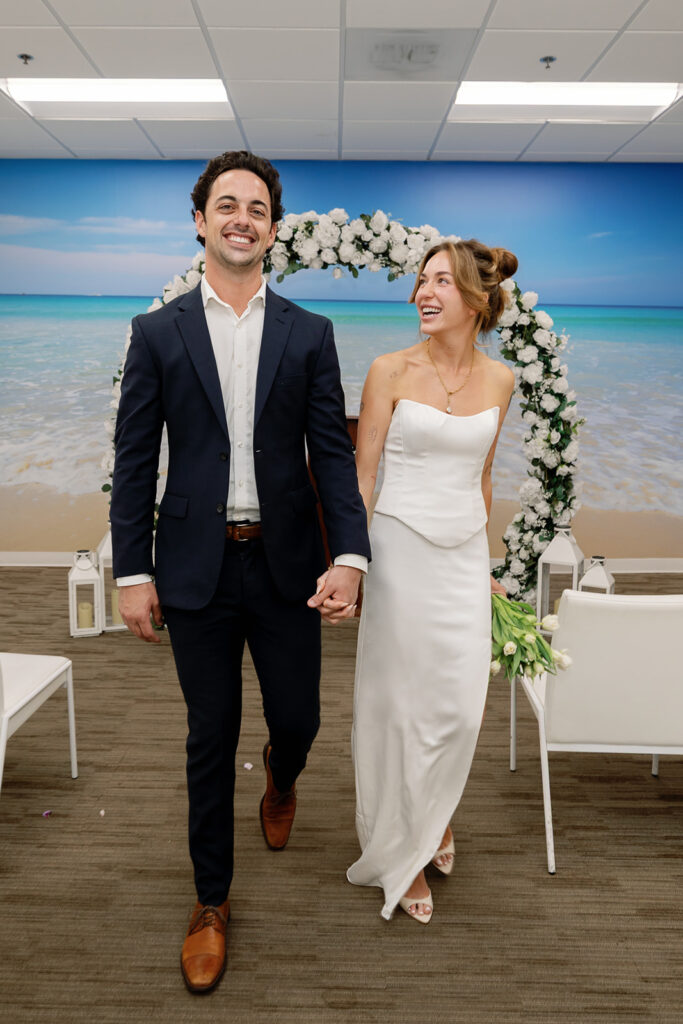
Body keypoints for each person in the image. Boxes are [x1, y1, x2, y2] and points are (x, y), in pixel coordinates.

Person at [110, 150, 370, 990]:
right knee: (206, 736)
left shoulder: (310, 334)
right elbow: (135, 455)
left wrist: (351, 557)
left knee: (299, 719)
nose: (241, 219)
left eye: (256, 208)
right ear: (200, 221)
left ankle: (282, 776)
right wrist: (129, 571)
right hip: (196, 569)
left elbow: (332, 456)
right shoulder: (156, 333)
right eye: (226, 205)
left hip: (289, 563)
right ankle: (211, 901)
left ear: (272, 229)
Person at [346, 239, 516, 923]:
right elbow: (361, 476)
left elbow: (481, 476)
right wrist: (352, 565)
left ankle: (436, 810)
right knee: (404, 708)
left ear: (474, 299)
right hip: (399, 554)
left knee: (459, 706)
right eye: (420, 281)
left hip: (461, 557)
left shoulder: (500, 380)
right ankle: (407, 848)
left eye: (440, 281)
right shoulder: (388, 370)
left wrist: (487, 568)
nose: (423, 292)